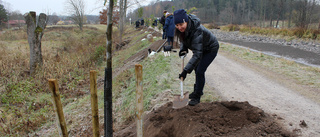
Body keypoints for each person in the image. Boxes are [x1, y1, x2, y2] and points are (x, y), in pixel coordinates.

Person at [174, 9, 219, 106]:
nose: (179, 27)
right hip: (202, 48)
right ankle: (197, 91)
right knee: (196, 69)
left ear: (186, 21)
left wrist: (185, 71)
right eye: (177, 25)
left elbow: (197, 55)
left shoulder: (196, 30)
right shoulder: (184, 29)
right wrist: (183, 49)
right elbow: (184, 40)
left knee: (199, 70)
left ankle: (197, 96)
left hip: (210, 48)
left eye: (181, 24)